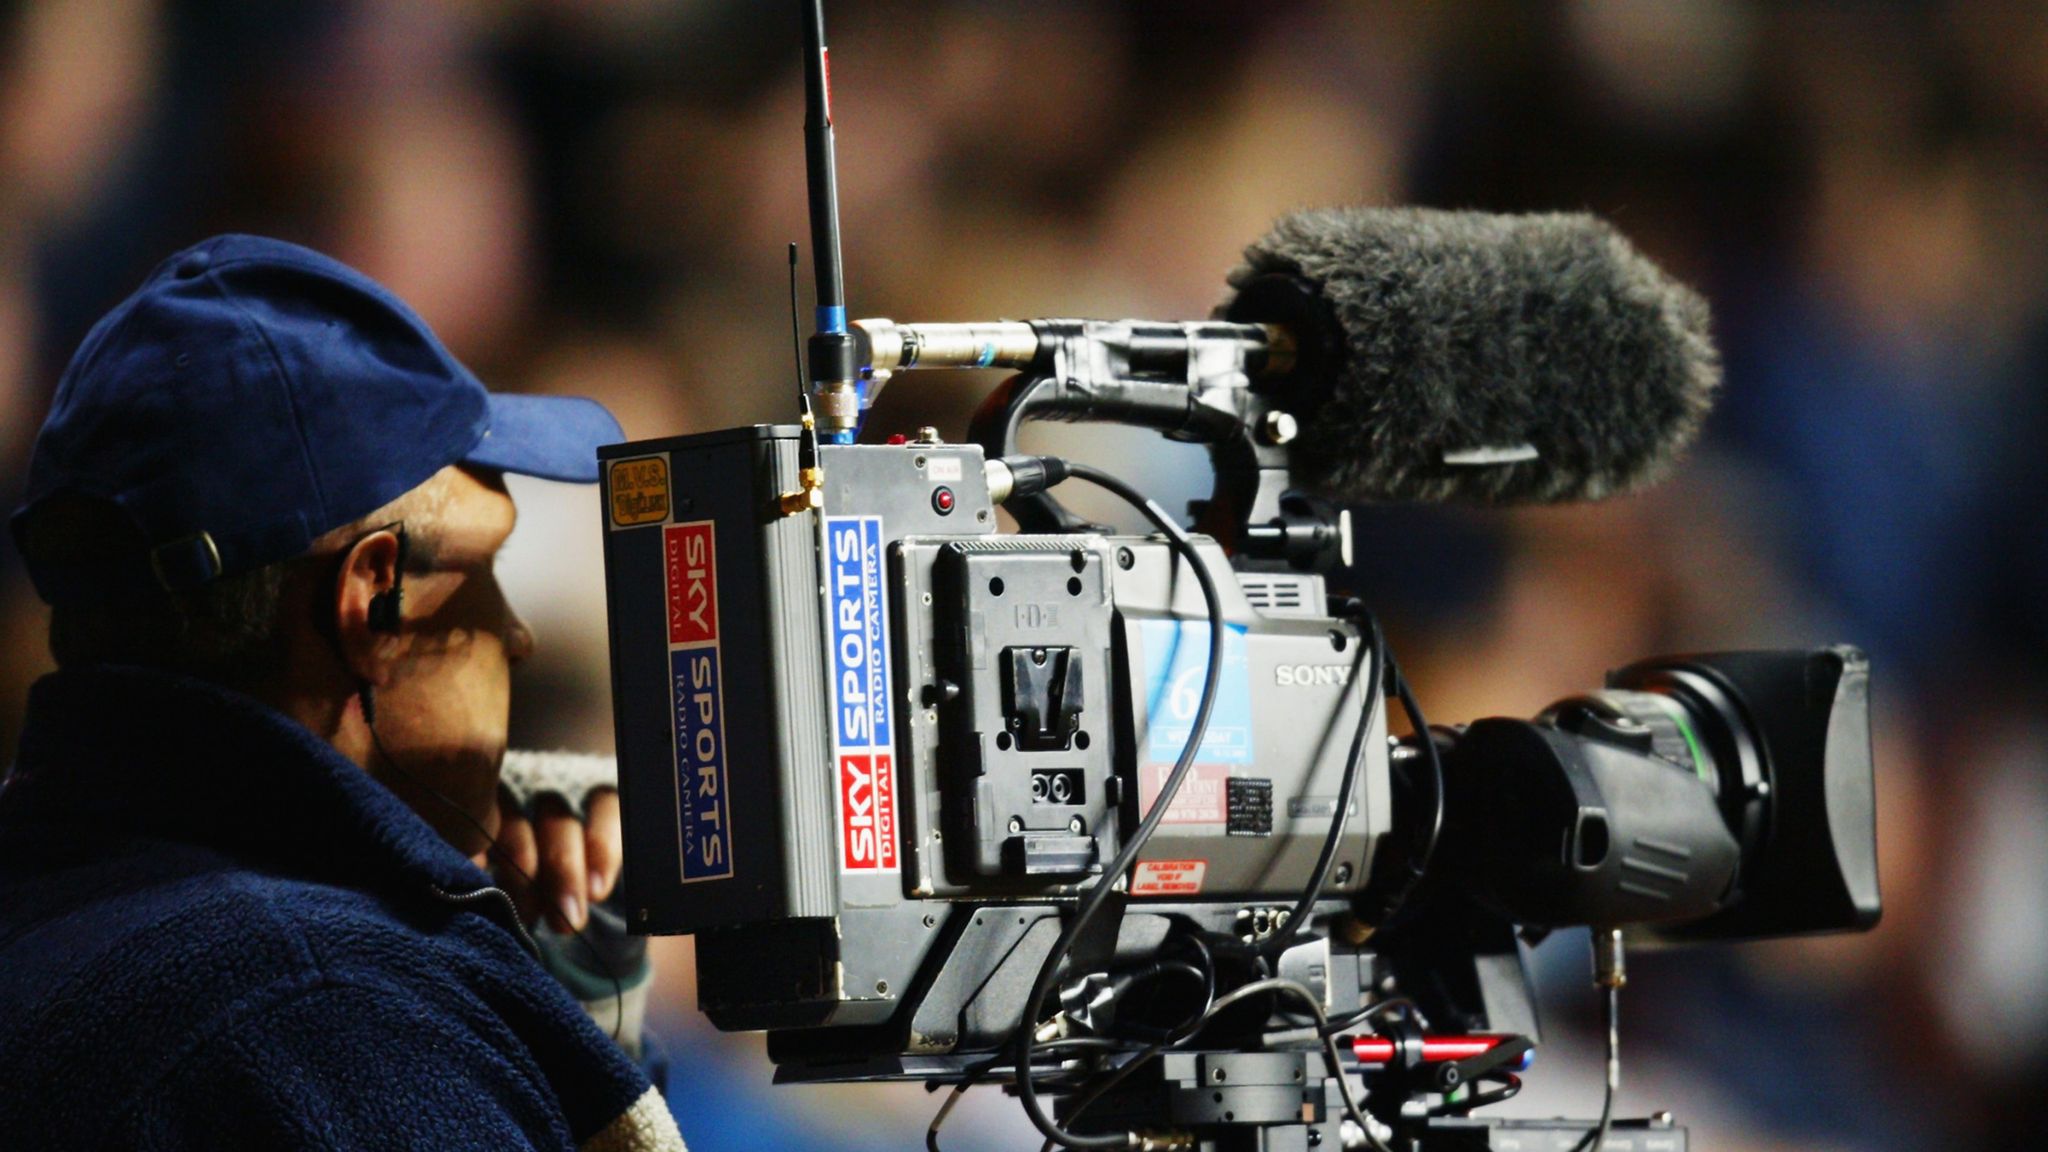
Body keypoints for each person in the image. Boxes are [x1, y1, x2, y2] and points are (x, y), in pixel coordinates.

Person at [0, 235, 685, 1151]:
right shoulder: (334, 1017)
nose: (515, 636)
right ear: (373, 603)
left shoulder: (48, 901)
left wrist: (553, 992)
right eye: (484, 571)